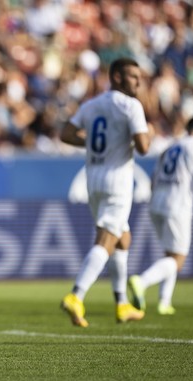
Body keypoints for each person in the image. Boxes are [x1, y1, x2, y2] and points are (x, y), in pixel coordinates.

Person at [59, 58, 151, 327]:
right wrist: (150, 134)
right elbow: (143, 146)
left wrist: (89, 141)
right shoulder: (132, 106)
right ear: (117, 77)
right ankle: (76, 295)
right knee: (107, 240)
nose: (138, 81)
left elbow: (66, 133)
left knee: (123, 239)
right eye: (133, 76)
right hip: (118, 181)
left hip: (93, 179)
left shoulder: (92, 104)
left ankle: (122, 303)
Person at [128, 116, 193, 315]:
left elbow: (153, 178)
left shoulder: (170, 147)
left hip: (157, 202)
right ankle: (141, 282)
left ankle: (164, 302)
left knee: (170, 253)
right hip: (178, 204)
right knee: (178, 258)